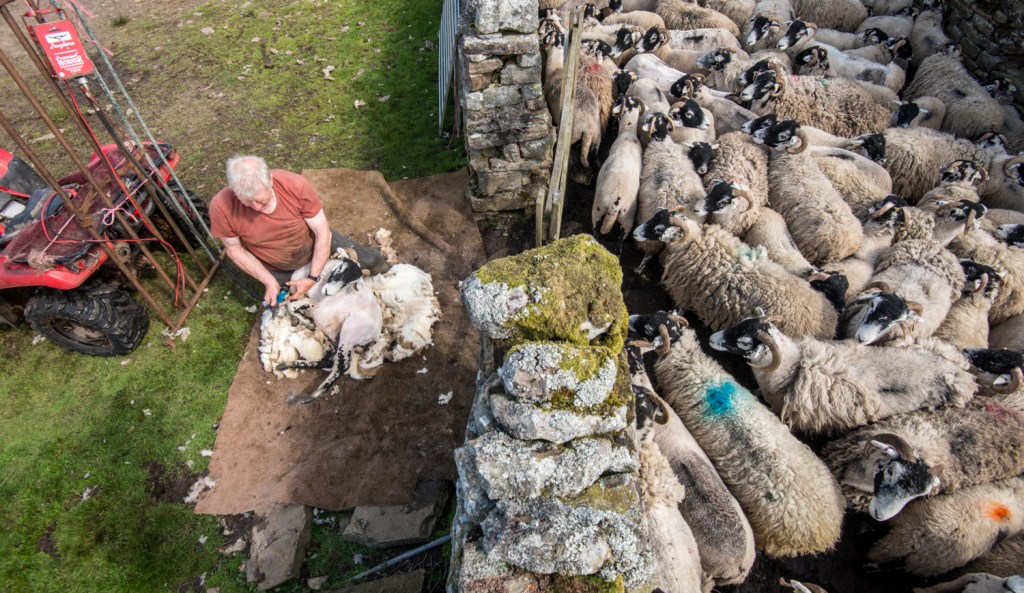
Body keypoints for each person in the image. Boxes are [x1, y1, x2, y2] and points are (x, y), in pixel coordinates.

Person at [209, 155, 389, 306]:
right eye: (248, 202)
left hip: (315, 245)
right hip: (277, 267)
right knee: (302, 308)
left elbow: (322, 232)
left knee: (373, 261)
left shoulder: (294, 185)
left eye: (262, 201)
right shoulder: (221, 207)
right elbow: (234, 250)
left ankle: (394, 276)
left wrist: (312, 277)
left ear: (271, 180)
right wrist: (268, 281)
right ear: (234, 191)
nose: (256, 208)